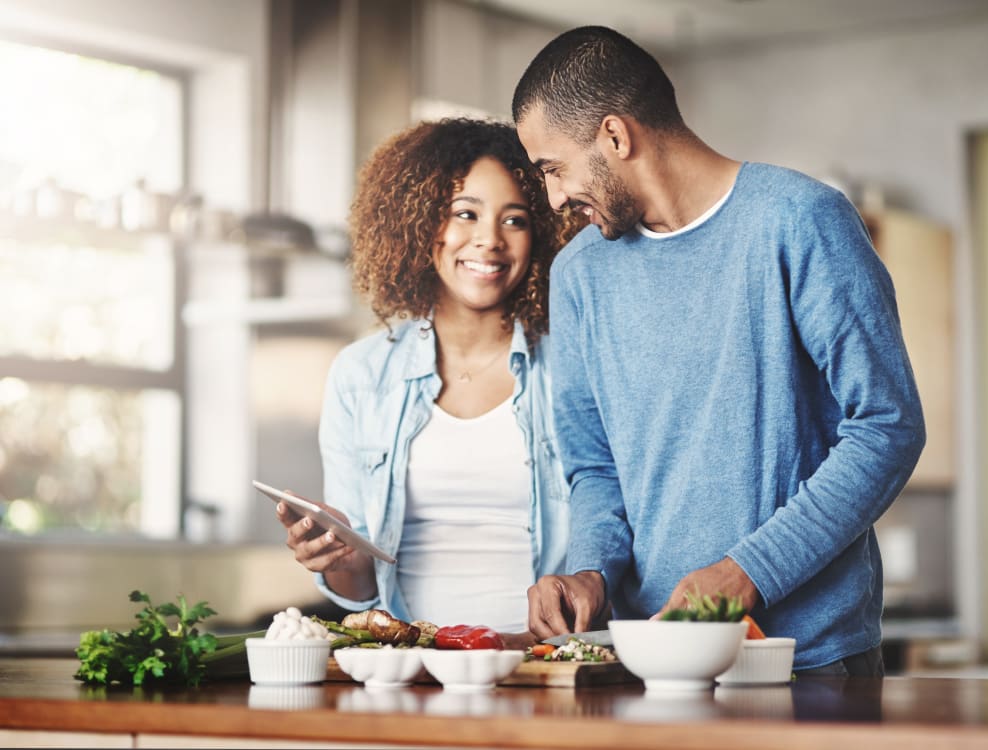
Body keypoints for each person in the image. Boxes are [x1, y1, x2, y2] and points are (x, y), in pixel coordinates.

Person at [511, 26, 925, 675]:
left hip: (807, 662)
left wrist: (748, 572)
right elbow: (594, 467)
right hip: (648, 659)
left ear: (617, 137)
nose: (556, 197)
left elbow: (887, 427)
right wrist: (589, 568)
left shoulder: (800, 221)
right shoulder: (580, 274)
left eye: (554, 168)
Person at [276, 118, 581, 638]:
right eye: (466, 214)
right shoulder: (361, 376)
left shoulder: (573, 366)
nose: (489, 241)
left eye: (515, 220)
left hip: (543, 666)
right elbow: (362, 589)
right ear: (420, 225)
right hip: (411, 668)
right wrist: (333, 557)